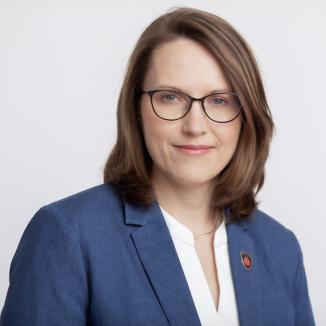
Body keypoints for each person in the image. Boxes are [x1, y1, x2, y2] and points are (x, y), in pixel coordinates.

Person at [0, 6, 315, 326]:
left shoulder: (280, 248)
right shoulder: (69, 235)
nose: (195, 126)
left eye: (219, 100)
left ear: (246, 117)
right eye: (170, 97)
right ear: (136, 108)